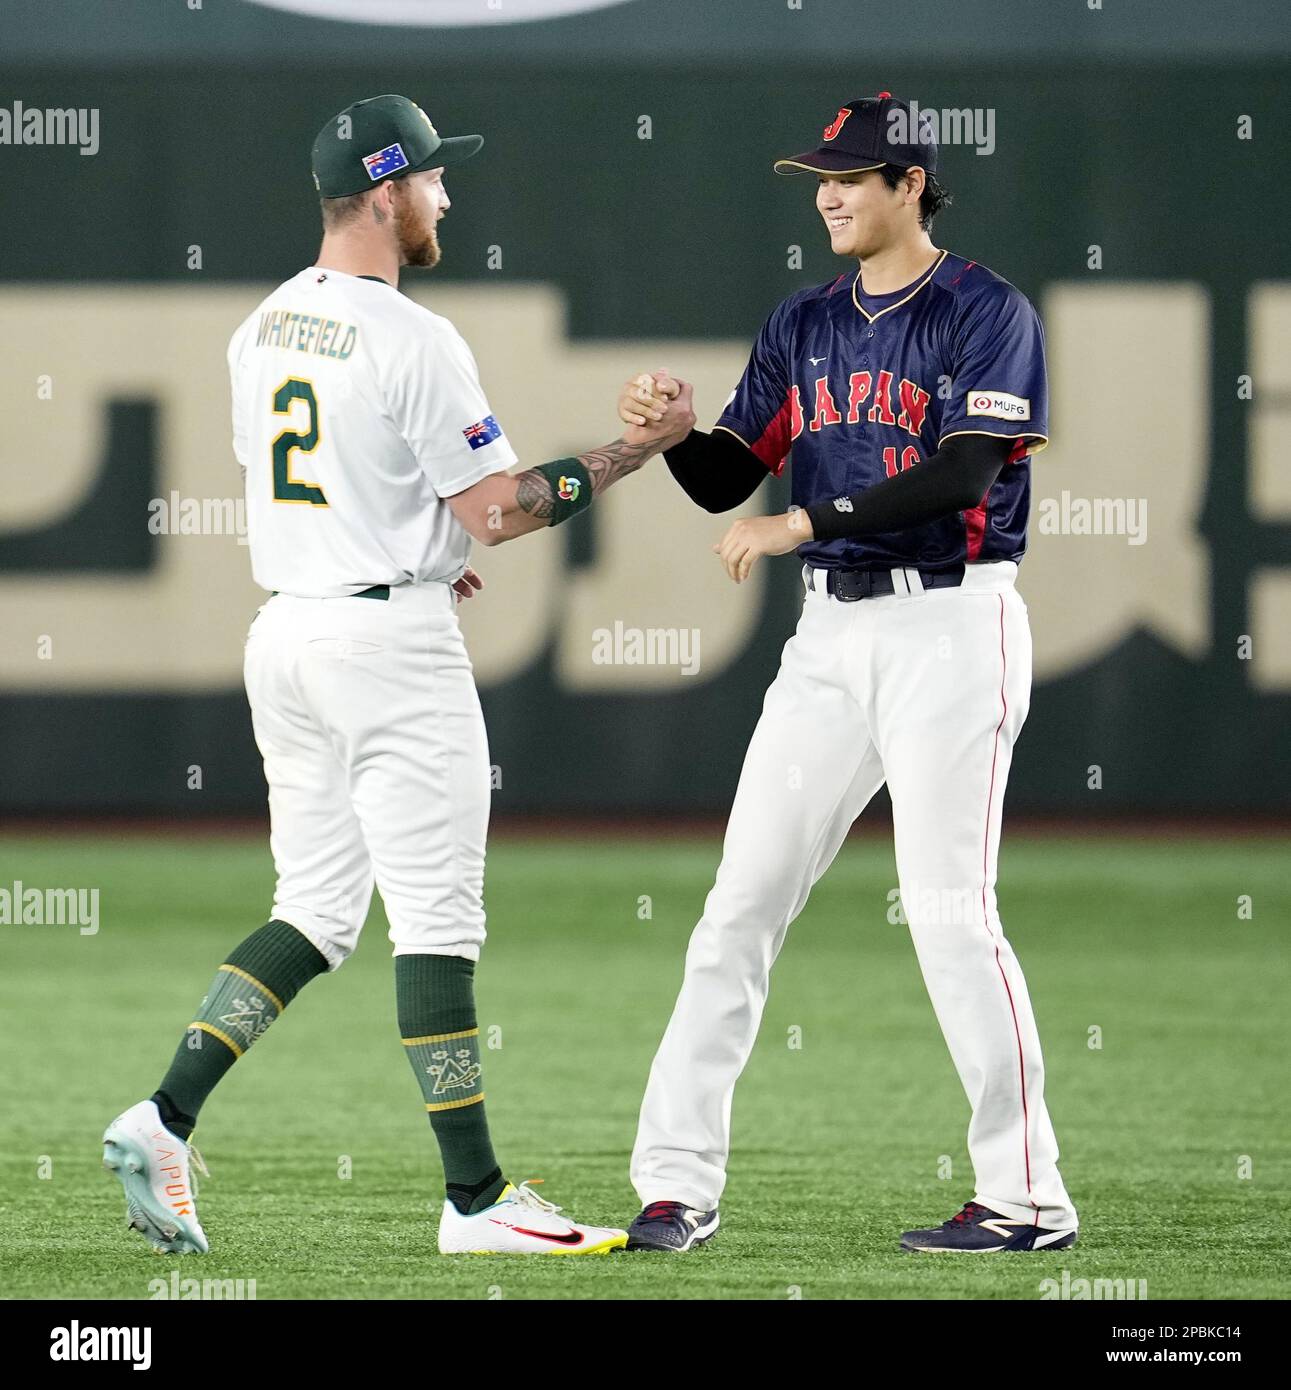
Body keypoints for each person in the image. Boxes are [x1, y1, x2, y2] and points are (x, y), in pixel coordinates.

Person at [102, 93, 692, 1258]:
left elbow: (326, 486)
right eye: (430, 178)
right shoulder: (412, 335)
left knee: (313, 912)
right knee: (438, 923)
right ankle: (474, 1201)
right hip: (386, 648)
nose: (444, 195)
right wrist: (644, 448)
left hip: (290, 634)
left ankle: (162, 1115)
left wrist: (423, 551)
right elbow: (502, 508)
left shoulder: (263, 322)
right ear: (384, 194)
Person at [618, 93, 1078, 1254]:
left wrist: (804, 520)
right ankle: (676, 1184)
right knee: (738, 905)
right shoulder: (802, 319)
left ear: (910, 183)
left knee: (947, 915)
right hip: (829, 638)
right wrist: (678, 436)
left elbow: (966, 473)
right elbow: (732, 480)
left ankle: (1026, 1198)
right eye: (819, 176)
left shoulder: (983, 309)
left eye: (852, 175)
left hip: (950, 628)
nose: (827, 192)